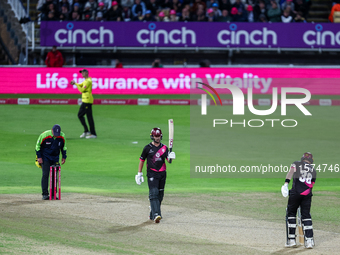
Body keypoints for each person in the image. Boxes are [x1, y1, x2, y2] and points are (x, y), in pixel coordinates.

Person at [135, 128, 176, 223]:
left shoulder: (164, 148)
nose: (157, 138)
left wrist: (171, 157)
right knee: (154, 193)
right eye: (155, 136)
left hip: (162, 173)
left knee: (160, 195)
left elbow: (168, 161)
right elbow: (142, 160)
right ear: (152, 136)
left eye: (158, 136)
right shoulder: (147, 148)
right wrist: (139, 173)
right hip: (152, 173)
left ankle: (152, 212)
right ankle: (157, 214)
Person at [281, 152, 316, 249]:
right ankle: (309, 241)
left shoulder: (296, 163)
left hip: (295, 193)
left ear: (302, 158)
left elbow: (290, 173)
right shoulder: (313, 170)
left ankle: (291, 240)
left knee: (291, 214)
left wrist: (286, 184)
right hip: (307, 195)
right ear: (311, 160)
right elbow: (311, 184)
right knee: (306, 216)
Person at [36, 124, 67, 200]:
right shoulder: (44, 135)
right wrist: (39, 157)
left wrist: (64, 157)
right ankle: (45, 194)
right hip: (45, 157)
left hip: (55, 157)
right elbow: (37, 146)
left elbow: (64, 147)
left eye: (57, 134)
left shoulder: (62, 136)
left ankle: (53, 194)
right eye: (55, 134)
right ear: (52, 130)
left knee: (54, 176)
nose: (56, 136)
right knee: (45, 175)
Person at [70, 69, 97, 139]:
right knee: (81, 115)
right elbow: (81, 85)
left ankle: (92, 133)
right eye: (81, 72)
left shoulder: (88, 81)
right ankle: (87, 131)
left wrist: (75, 84)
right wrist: (75, 83)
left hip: (87, 101)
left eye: (83, 72)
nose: (82, 73)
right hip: (85, 100)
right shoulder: (85, 81)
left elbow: (82, 90)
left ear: (86, 73)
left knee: (88, 117)